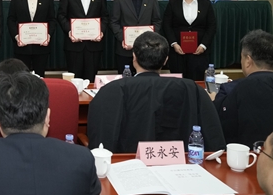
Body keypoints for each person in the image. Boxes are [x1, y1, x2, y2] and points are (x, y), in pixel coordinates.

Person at [88, 32, 225, 152]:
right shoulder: (191, 88)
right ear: (166, 60)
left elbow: (99, 140)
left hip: (126, 164)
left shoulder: (111, 90)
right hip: (180, 165)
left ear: (134, 57)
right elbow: (214, 140)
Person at [212, 30, 273, 147]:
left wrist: (215, 100)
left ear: (248, 61)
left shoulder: (232, 89)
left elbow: (217, 126)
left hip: (244, 156)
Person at [57, 0, 109, 80]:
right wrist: (70, 31)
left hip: (94, 45)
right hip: (74, 45)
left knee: (91, 79)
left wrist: (101, 31)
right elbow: (61, 15)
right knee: (74, 80)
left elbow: (105, 16)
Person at [162, 0, 216, 80]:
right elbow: (166, 25)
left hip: (199, 51)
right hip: (177, 51)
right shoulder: (173, 3)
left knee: (196, 82)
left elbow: (212, 26)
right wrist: (174, 44)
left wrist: (203, 45)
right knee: (178, 82)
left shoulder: (206, 4)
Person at [7, 0, 56, 77]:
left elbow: (52, 19)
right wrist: (16, 36)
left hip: (41, 46)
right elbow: (11, 19)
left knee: (40, 76)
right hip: (22, 46)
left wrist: (48, 35)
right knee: (22, 77)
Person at [110, 0, 161, 74]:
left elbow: (157, 21)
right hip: (125, 51)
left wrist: (150, 40)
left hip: (147, 50)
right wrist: (123, 39)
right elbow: (114, 22)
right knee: (125, 81)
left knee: (145, 81)